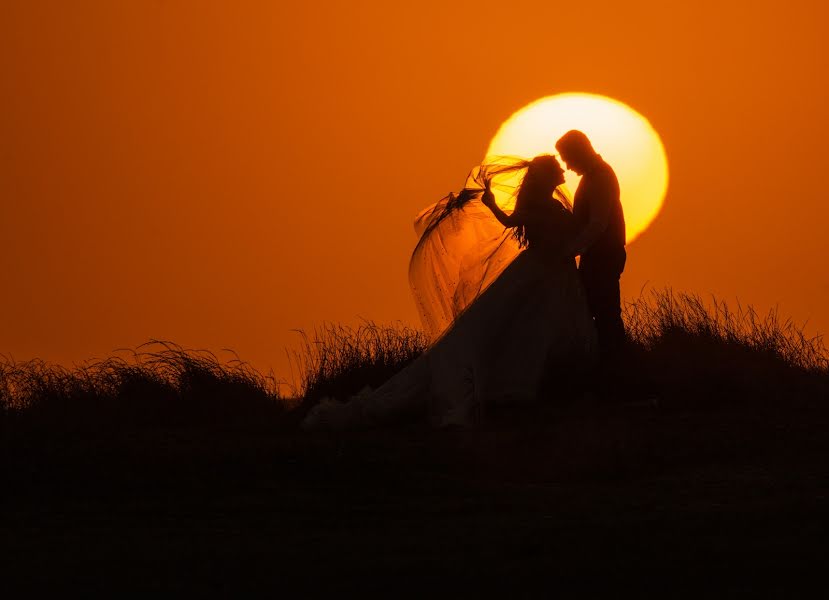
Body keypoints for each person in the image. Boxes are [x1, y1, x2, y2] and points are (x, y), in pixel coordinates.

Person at [302, 155, 597, 431]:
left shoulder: (542, 203)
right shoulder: (537, 206)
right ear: (546, 177)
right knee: (520, 330)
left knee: (533, 329)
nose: (562, 171)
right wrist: (492, 203)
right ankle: (514, 392)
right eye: (556, 168)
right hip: (541, 272)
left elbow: (519, 223)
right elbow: (513, 222)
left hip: (552, 272)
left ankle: (548, 386)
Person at [555, 130, 627, 361]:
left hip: (604, 256)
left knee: (606, 314)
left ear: (578, 152)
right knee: (595, 312)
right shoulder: (592, 176)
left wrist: (571, 250)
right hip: (596, 256)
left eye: (567, 158)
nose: (566, 166)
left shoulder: (601, 177)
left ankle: (619, 366)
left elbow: (598, 223)